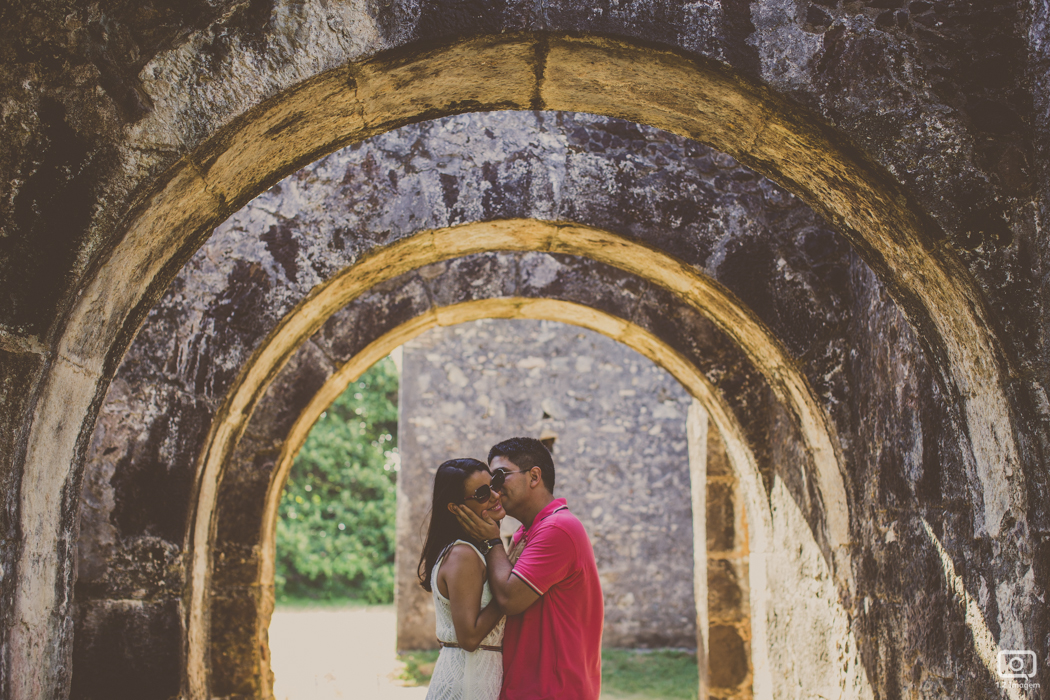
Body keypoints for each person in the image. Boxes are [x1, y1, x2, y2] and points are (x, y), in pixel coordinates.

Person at [453, 437, 604, 700]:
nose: (495, 491)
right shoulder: (528, 531)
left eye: (500, 477)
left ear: (534, 476)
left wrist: (490, 541)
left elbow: (510, 599)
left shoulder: (558, 528)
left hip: (553, 691)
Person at [418, 458, 509, 700]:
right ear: (455, 507)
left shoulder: (473, 551)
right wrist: (511, 591)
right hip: (468, 681)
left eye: (493, 484)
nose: (494, 495)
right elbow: (469, 637)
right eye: (481, 493)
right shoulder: (463, 555)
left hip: (476, 674)